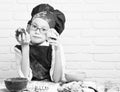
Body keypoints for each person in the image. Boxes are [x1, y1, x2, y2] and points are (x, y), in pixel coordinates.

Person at [14, 4, 66, 82]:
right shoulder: (19, 49)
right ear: (28, 27)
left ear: (50, 32)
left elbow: (57, 79)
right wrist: (25, 46)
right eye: (34, 26)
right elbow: (24, 79)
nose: (37, 32)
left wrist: (57, 50)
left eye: (43, 29)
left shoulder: (54, 47)